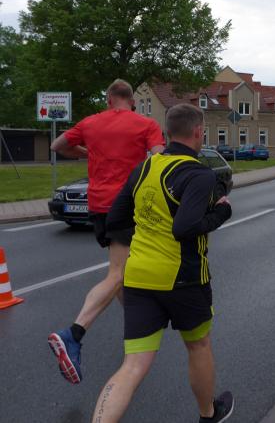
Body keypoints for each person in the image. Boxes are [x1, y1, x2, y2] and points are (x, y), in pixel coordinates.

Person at [91, 103, 234, 423]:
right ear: (198, 132)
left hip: (139, 277)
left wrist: (148, 232)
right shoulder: (199, 173)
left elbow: (115, 220)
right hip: (184, 278)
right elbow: (185, 228)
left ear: (168, 132)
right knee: (198, 346)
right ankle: (208, 414)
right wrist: (221, 213)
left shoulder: (144, 168)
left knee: (133, 365)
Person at [48, 79, 165, 385]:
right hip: (127, 204)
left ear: (109, 99)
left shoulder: (90, 123)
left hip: (98, 205)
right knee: (117, 274)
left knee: (123, 273)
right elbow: (160, 157)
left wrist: (87, 152)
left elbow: (57, 145)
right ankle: (73, 334)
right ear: (132, 101)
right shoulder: (145, 124)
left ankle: (137, 329)